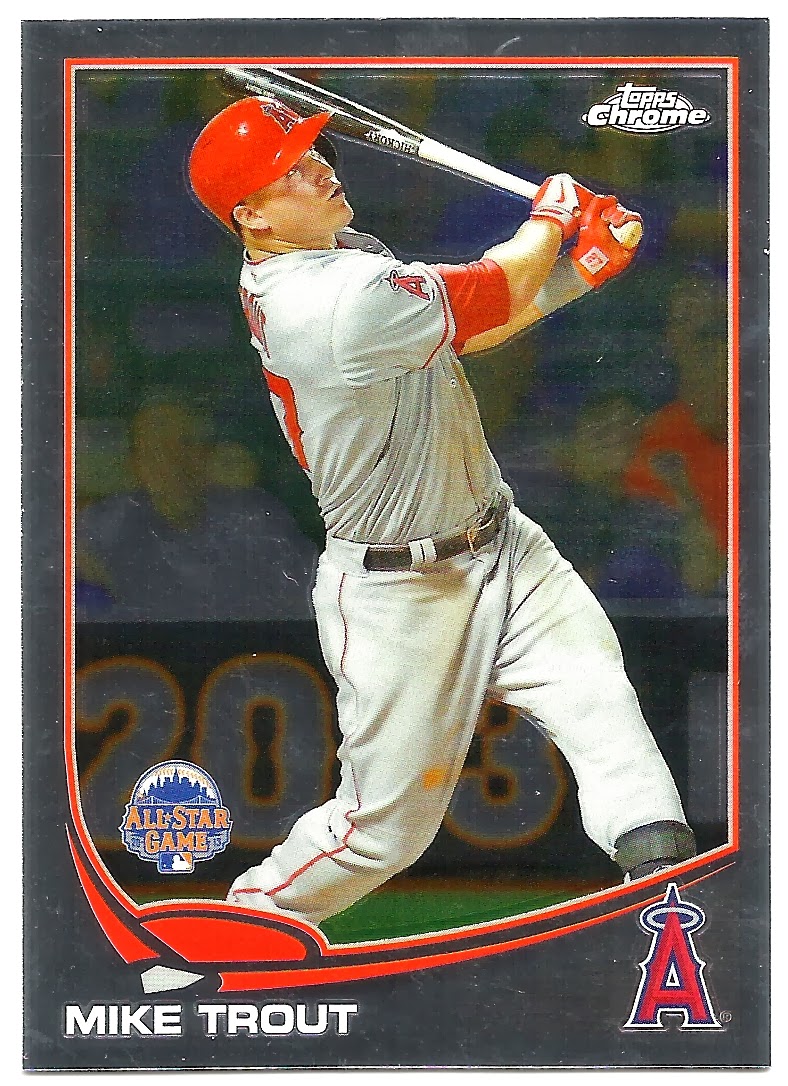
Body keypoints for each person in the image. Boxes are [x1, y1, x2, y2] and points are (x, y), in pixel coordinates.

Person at [188, 95, 696, 927]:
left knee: (599, 699)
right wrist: (553, 216)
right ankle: (231, 936)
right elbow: (493, 289)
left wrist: (579, 270)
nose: (322, 169)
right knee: (381, 833)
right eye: (293, 170)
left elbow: (464, 331)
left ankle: (666, 899)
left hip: (503, 543)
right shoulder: (324, 302)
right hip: (399, 591)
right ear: (253, 217)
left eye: (314, 153)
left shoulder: (346, 258)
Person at [76, 399, 317, 621]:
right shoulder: (98, 531)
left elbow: (308, 607)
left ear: (207, 455)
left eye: (186, 445)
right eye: (159, 450)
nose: (175, 462)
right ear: (135, 464)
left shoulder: (257, 522)